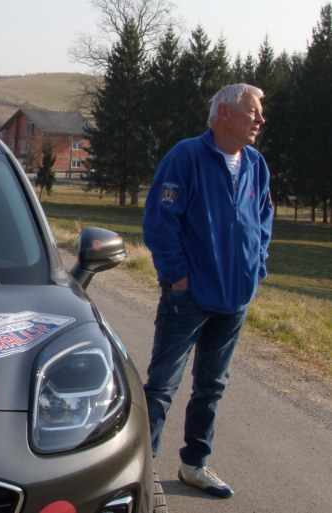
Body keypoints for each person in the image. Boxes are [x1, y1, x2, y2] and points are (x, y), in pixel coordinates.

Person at [142, 83, 273, 499]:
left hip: (235, 298)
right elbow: (160, 221)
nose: (260, 119)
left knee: (212, 385)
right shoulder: (186, 157)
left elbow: (264, 217)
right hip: (188, 297)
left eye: (260, 112)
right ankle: (140, 469)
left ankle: (194, 464)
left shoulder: (256, 164)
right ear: (223, 114)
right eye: (252, 111)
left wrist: (257, 267)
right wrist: (177, 277)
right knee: (162, 386)